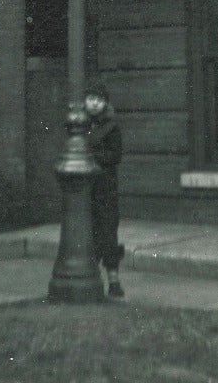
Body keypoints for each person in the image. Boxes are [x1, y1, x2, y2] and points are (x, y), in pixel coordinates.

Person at [85, 80, 124, 297]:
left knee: (108, 234)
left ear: (105, 103)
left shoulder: (111, 127)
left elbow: (116, 155)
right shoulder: (80, 125)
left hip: (105, 188)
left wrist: (93, 156)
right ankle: (91, 279)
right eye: (91, 99)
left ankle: (114, 281)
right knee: (88, 234)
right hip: (86, 189)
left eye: (99, 100)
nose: (94, 104)